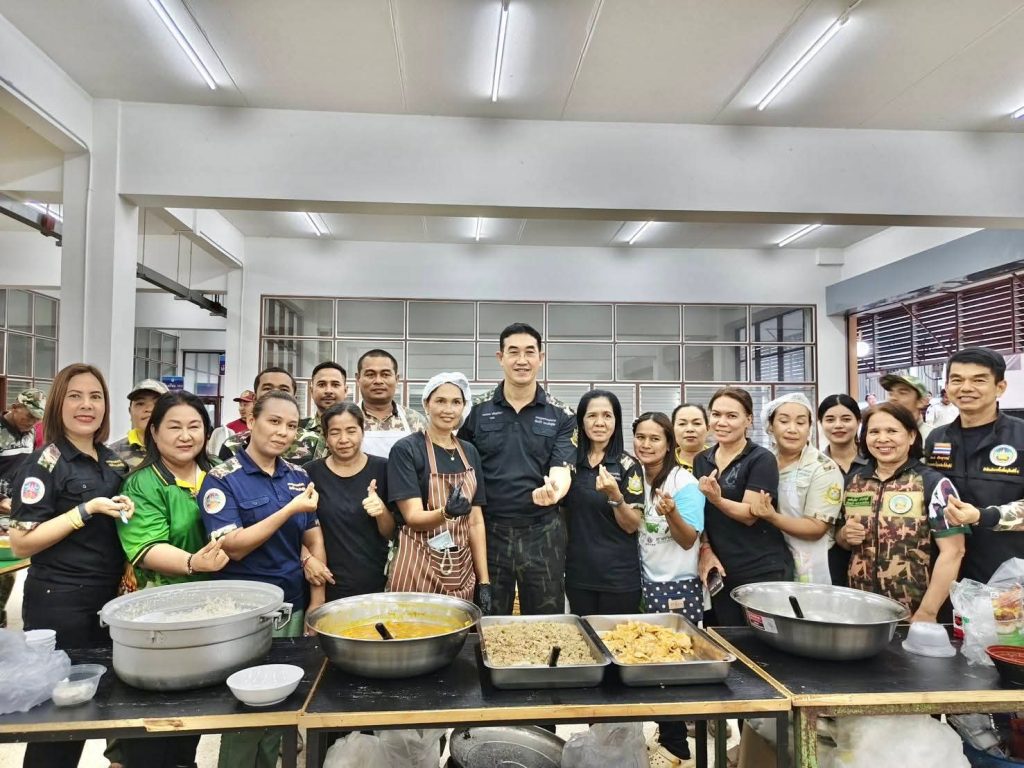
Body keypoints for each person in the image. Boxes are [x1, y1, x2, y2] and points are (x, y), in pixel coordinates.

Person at [8, 364, 135, 768]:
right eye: (75, 396)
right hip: (60, 602)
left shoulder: (113, 462)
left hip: (107, 601)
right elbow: (21, 542)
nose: (87, 405)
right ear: (58, 404)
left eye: (95, 397)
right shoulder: (44, 464)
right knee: (60, 722)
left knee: (100, 707)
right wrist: (84, 510)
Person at [200, 390, 327, 768]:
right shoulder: (223, 479)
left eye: (291, 426)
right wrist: (288, 510)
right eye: (274, 422)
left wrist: (317, 601)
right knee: (245, 708)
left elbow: (313, 536)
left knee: (282, 701)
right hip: (244, 611)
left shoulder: (298, 476)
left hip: (291, 604)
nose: (282, 432)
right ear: (251, 421)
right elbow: (233, 547)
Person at [117, 391, 230, 767]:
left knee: (191, 716)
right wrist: (194, 562)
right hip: (157, 617)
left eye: (194, 426)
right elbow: (145, 546)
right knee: (151, 726)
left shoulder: (220, 473)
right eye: (174, 427)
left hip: (209, 613)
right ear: (153, 431)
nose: (186, 436)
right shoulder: (142, 483)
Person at [459, 323, 576, 616]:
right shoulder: (475, 410)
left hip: (542, 529)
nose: (521, 360)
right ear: (500, 358)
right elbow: (460, 466)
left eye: (529, 352)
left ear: (541, 358)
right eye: (513, 352)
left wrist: (554, 491)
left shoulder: (561, 413)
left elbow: (562, 468)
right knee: (487, 614)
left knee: (546, 618)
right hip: (488, 529)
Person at [837, 402, 966, 620]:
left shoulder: (933, 484)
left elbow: (954, 552)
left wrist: (927, 612)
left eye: (892, 431)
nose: (882, 439)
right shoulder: (854, 482)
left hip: (914, 613)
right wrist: (844, 535)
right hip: (861, 611)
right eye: (874, 432)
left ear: (911, 436)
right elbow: (841, 539)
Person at [633, 412, 704, 768]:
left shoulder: (683, 482)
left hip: (677, 586)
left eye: (654, 438)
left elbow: (688, 539)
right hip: (647, 582)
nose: (646, 445)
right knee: (651, 664)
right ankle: (666, 733)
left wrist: (672, 512)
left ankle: (678, 748)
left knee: (673, 669)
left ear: (669, 444)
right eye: (640, 437)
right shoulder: (636, 479)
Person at [387, 374, 490, 609]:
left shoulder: (469, 452)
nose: (448, 409)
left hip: (460, 567)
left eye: (456, 402)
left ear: (463, 407)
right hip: (417, 564)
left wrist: (484, 581)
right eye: (440, 401)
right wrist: (446, 513)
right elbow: (413, 517)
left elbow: (475, 522)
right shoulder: (407, 450)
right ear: (426, 404)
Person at [925, 347, 1024, 584]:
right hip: (946, 573)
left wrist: (983, 516)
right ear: (947, 386)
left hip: (1008, 575)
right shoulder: (937, 438)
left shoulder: (1020, 435)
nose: (966, 388)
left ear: (1000, 387)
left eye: (979, 380)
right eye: (957, 380)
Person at [694, 387, 789, 625]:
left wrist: (717, 499)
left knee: (761, 637)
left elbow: (750, 514)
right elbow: (699, 515)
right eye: (716, 414)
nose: (722, 422)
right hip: (720, 568)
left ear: (748, 419)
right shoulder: (701, 459)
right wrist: (705, 549)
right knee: (724, 635)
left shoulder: (761, 458)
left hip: (759, 568)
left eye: (732, 416)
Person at [564, 390, 644, 616]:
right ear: (581, 421)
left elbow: (632, 525)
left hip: (619, 578)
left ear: (616, 422)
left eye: (607, 416)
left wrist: (615, 496)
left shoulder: (628, 465)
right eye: (592, 416)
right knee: (583, 635)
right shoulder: (569, 463)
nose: (599, 422)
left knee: (616, 637)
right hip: (578, 575)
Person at [304, 402, 395, 601]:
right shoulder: (309, 473)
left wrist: (381, 511)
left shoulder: (383, 469)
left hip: (376, 583)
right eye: (335, 432)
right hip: (324, 582)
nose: (344, 439)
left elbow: (391, 533)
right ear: (325, 437)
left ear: (362, 432)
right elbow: (295, 529)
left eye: (351, 431)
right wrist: (306, 558)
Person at [755, 394, 844, 584]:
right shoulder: (760, 462)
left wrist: (772, 517)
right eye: (784, 421)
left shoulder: (823, 468)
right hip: (769, 561)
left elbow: (816, 528)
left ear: (809, 427)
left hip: (811, 562)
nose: (792, 429)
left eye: (801, 422)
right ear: (770, 426)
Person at [0, 388, 45, 627]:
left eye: (37, 418)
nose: (32, 422)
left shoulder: (30, 434)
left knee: (9, 571)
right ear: (15, 407)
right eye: (28, 415)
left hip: (14, 512)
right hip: (2, 506)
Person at [219, 367, 322, 464]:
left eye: (284, 390)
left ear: (294, 399)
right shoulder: (233, 445)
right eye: (268, 388)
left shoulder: (314, 442)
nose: (275, 394)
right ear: (255, 398)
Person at [817, 394, 868, 587]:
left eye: (846, 419)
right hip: (828, 555)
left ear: (858, 421)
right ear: (820, 423)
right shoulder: (815, 466)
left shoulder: (875, 461)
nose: (838, 425)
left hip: (870, 550)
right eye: (830, 420)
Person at [356, 349, 426, 459]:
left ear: (397, 379)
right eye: (370, 375)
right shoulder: (345, 419)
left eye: (385, 374)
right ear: (358, 379)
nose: (378, 381)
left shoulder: (416, 421)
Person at [108, 378, 170, 468]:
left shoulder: (184, 449)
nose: (149, 409)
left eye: (157, 403)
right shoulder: (111, 454)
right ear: (130, 412)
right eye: (140, 404)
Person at [301, 361, 349, 460]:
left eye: (335, 385)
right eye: (322, 385)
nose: (328, 391)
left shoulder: (358, 430)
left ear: (345, 391)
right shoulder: (295, 429)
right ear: (311, 390)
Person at [880, 372, 932, 440]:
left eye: (902, 393)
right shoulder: (881, 436)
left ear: (921, 401)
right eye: (890, 394)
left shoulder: (935, 437)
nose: (893, 398)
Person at [209, 389, 255, 457]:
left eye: (245, 405)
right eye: (240, 405)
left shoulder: (260, 427)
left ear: (255, 405)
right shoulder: (229, 428)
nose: (241, 408)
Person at [672, 402, 709, 471]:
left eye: (697, 423)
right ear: (672, 429)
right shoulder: (662, 464)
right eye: (682, 424)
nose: (689, 429)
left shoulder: (720, 459)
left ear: (707, 428)